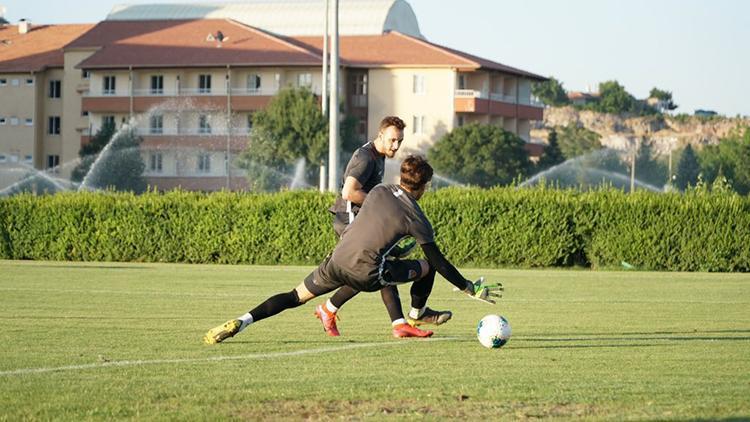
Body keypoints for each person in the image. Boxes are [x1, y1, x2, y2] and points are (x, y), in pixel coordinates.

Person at [204, 155, 502, 344]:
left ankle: (243, 321)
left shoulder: (380, 190)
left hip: (336, 259)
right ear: (424, 186)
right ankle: (413, 317)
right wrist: (468, 287)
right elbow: (440, 263)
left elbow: (371, 220)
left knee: (295, 296)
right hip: (366, 272)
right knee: (424, 266)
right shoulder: (417, 217)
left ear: (401, 177)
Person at [323, 116, 450, 339]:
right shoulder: (366, 158)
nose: (396, 146)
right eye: (392, 140)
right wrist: (382, 202)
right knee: (374, 266)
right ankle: (400, 322)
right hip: (350, 217)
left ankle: (332, 309)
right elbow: (348, 193)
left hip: (358, 217)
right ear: (380, 135)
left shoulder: (378, 155)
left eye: (399, 141)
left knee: (376, 268)